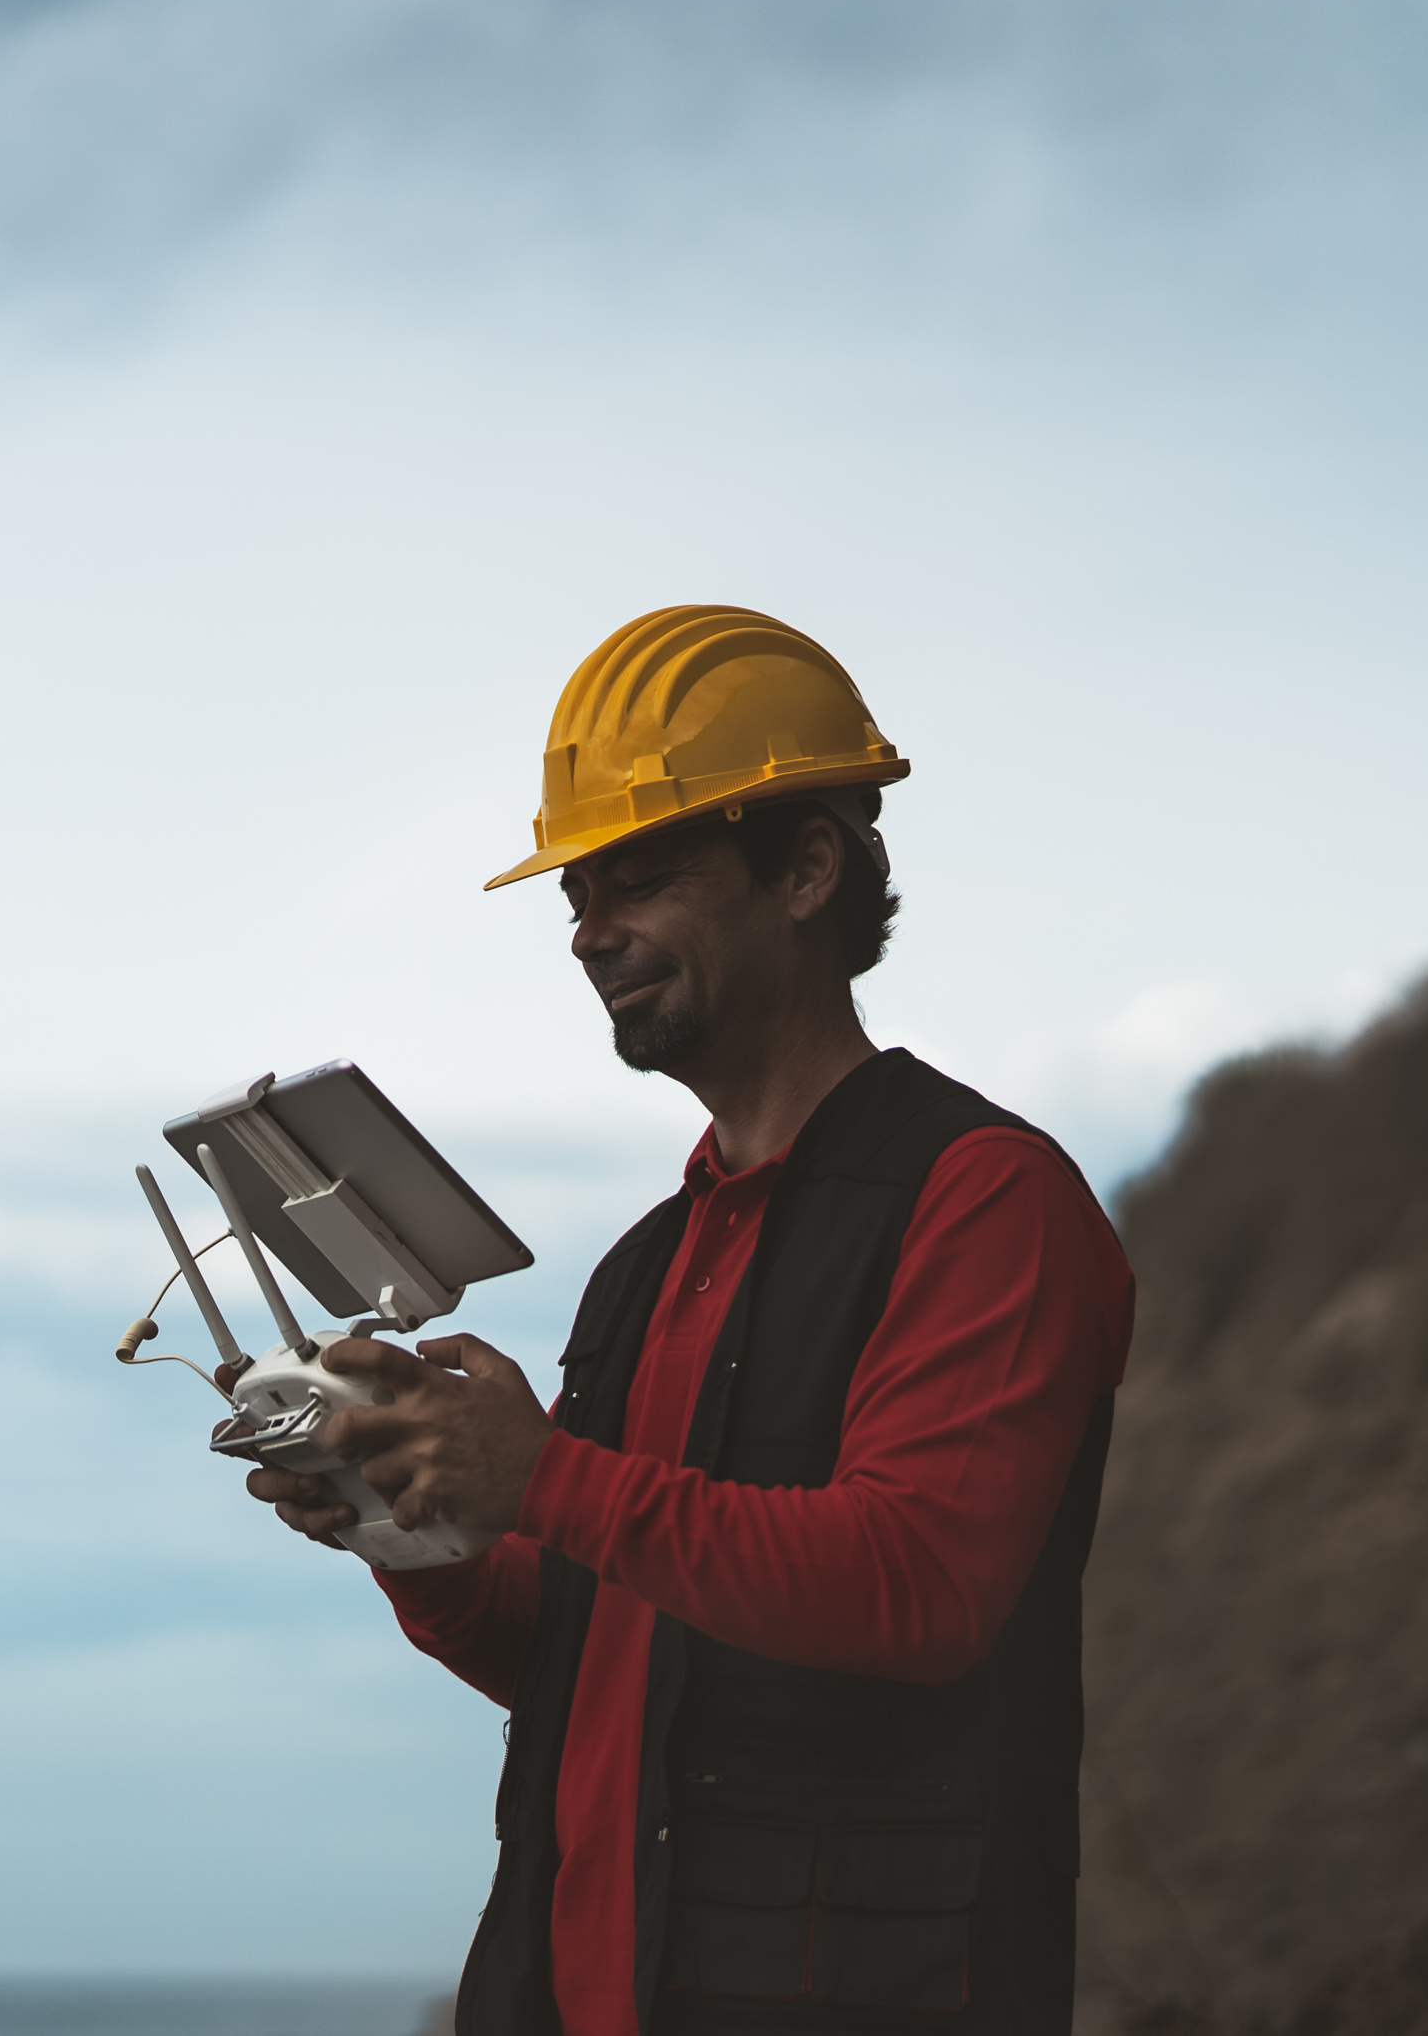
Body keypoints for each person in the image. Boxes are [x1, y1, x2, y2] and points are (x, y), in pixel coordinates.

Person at [239, 607, 1135, 2036]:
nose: (591, 934)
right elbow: (585, 1654)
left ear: (806, 867)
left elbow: (915, 1585)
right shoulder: (646, 1265)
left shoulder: (984, 1199)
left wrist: (540, 1474)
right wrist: (410, 1520)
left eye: (639, 880)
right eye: (576, 896)